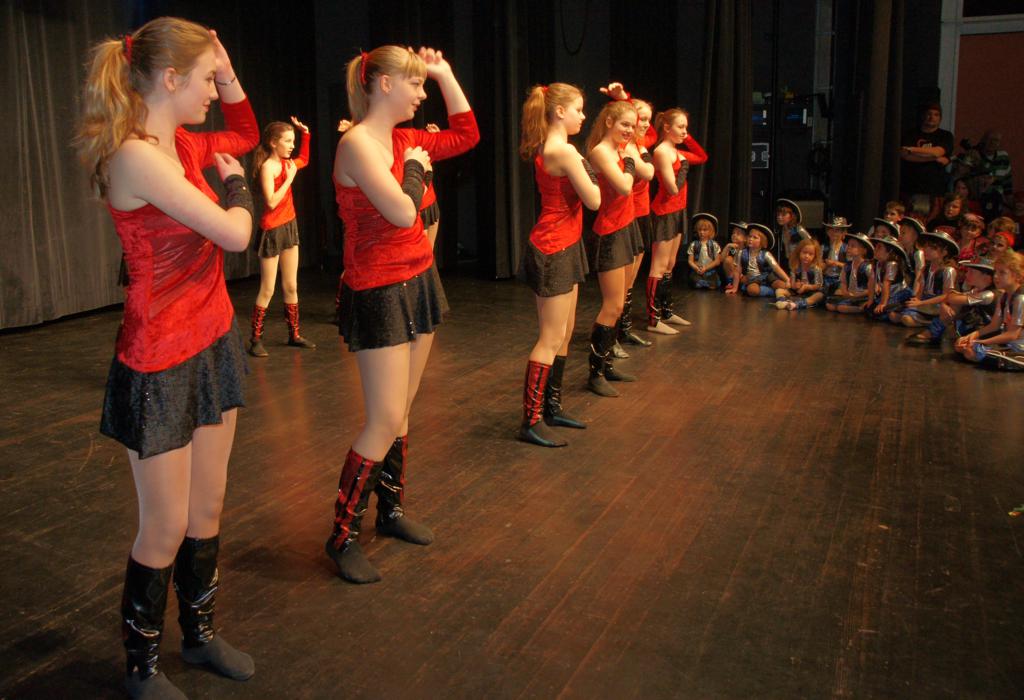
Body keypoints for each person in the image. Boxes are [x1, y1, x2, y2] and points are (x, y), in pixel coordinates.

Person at [74, 18, 258, 697]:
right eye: (208, 79)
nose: (215, 91)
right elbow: (235, 234)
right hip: (158, 358)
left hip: (211, 340)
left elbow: (245, 132)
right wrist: (238, 187)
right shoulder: (137, 158)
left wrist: (228, 66)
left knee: (207, 507)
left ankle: (200, 635)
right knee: (166, 525)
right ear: (172, 78)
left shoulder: (180, 142)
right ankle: (141, 668)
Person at [329, 46, 471, 584]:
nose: (421, 93)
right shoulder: (357, 144)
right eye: (415, 83)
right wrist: (415, 168)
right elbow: (402, 211)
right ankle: (341, 536)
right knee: (384, 419)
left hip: (418, 278)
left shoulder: (404, 137)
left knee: (402, 410)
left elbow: (466, 134)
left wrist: (445, 72)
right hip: (379, 289)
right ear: (384, 84)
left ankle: (389, 511)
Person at [516, 82, 600, 446]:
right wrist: (586, 165)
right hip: (554, 247)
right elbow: (594, 199)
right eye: (578, 109)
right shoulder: (563, 150)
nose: (583, 116)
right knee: (550, 337)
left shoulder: (554, 147)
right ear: (560, 111)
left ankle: (551, 407)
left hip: (564, 243)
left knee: (564, 333)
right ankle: (531, 419)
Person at [585, 99, 646, 396]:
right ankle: (595, 374)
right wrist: (632, 161)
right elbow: (624, 186)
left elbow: (646, 174)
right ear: (609, 122)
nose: (630, 130)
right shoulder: (601, 151)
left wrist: (632, 153)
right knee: (611, 305)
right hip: (609, 232)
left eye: (632, 126)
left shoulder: (620, 149)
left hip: (626, 227)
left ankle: (607, 365)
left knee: (620, 305)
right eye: (624, 124)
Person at [248, 116, 316, 356]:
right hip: (272, 230)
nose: (291, 146)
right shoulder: (269, 167)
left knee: (291, 285)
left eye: (293, 141)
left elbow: (304, 159)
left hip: (289, 226)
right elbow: (271, 201)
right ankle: (256, 339)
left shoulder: (288, 164)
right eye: (287, 141)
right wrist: (289, 178)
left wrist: (306, 135)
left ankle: (294, 334)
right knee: (268, 288)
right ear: (273, 142)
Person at [647, 107, 708, 331]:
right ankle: (653, 319)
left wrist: (687, 139)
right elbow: (672, 188)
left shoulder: (675, 150)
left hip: (678, 211)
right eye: (681, 127)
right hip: (664, 212)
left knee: (670, 264)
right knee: (659, 265)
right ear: (666, 127)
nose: (684, 132)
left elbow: (702, 157)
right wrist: (683, 166)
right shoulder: (662, 151)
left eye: (686, 128)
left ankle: (666, 311)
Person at [956, 251, 1024, 370]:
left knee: (977, 351)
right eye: (995, 272)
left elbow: (1013, 335)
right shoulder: (1003, 297)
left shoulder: (1020, 299)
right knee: (963, 346)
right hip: (1010, 346)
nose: (996, 276)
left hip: (1019, 348)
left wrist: (983, 342)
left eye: (1002, 273)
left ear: (1018, 276)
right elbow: (994, 325)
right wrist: (973, 336)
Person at [893, 230, 959, 327]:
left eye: (932, 248)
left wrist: (921, 303)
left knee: (906, 319)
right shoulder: (926, 269)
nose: (926, 250)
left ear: (944, 252)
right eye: (926, 247)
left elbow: (946, 296)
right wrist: (916, 300)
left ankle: (931, 322)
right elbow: (921, 289)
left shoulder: (948, 271)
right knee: (894, 315)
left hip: (938, 303)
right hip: (924, 302)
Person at [899, 103, 954, 219]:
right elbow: (905, 155)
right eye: (929, 114)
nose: (932, 117)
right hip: (911, 187)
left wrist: (912, 149)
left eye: (936, 115)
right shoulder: (910, 134)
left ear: (940, 118)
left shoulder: (945, 136)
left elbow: (937, 152)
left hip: (934, 189)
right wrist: (933, 158)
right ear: (923, 116)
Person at [825, 232, 873, 314]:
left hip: (862, 296)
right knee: (829, 305)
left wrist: (858, 295)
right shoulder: (847, 266)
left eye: (853, 246)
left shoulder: (867, 267)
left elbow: (872, 287)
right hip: (850, 294)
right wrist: (845, 292)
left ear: (863, 250)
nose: (849, 248)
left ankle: (861, 309)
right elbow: (843, 282)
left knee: (842, 308)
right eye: (848, 245)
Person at [774, 238, 824, 310]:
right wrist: (795, 285)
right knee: (779, 290)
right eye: (804, 253)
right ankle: (782, 302)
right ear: (799, 252)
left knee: (819, 295)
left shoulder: (816, 269)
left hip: (811, 292)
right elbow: (792, 284)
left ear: (815, 256)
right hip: (798, 292)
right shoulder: (795, 267)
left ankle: (796, 304)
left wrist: (806, 287)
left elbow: (818, 285)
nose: (807, 256)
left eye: (810, 254)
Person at [686, 213, 722, 288]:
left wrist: (706, 268)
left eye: (705, 230)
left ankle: (709, 283)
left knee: (714, 281)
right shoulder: (694, 244)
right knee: (694, 280)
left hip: (710, 271)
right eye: (700, 230)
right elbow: (690, 261)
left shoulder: (714, 245)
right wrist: (697, 268)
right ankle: (701, 282)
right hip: (697, 271)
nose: (702, 232)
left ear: (711, 231)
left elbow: (717, 261)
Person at [775, 198, 810, 266]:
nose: (779, 217)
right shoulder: (779, 231)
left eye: (783, 215)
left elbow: (811, 244)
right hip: (786, 262)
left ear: (791, 216)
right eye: (778, 215)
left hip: (799, 262)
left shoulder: (798, 229)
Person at [721, 221, 748, 293]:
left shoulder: (747, 250)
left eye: (738, 234)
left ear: (745, 238)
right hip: (733, 275)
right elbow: (721, 260)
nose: (734, 235)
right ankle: (730, 283)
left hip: (742, 275)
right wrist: (727, 247)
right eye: (733, 233)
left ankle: (742, 285)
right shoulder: (732, 248)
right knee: (728, 259)